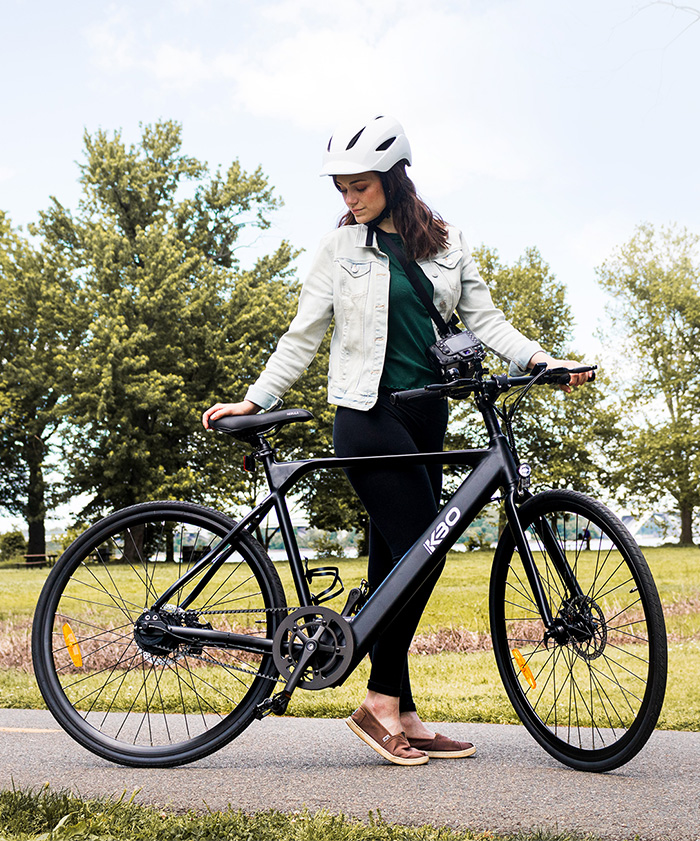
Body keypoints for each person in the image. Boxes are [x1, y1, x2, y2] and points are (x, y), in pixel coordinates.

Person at [202, 115, 591, 766]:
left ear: (392, 179)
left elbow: (485, 319)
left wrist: (540, 361)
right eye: (343, 189)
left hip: (425, 418)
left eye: (360, 187)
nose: (349, 200)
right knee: (426, 549)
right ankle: (379, 702)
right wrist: (257, 397)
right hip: (366, 414)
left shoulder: (444, 244)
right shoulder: (340, 250)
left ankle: (402, 709)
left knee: (398, 566)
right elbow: (303, 332)